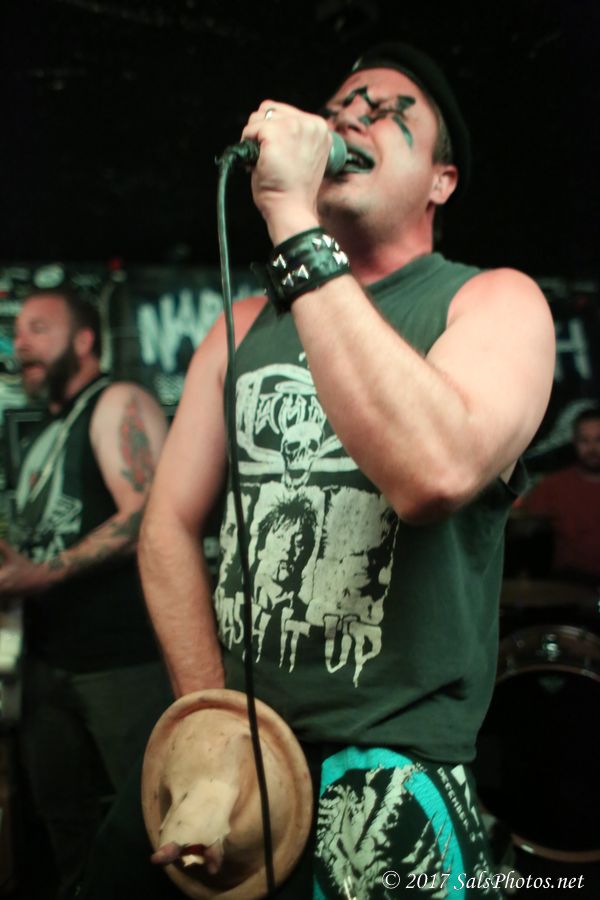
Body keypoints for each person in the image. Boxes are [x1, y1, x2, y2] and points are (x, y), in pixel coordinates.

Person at [92, 43, 555, 898]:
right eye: (342, 108)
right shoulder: (238, 327)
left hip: (391, 768)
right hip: (238, 756)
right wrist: (216, 727)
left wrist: (292, 223)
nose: (351, 118)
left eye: (388, 113)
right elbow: (167, 526)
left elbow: (434, 473)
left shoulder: (492, 301)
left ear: (442, 180)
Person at [0, 289, 172, 898]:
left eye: (38, 329)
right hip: (48, 666)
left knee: (157, 826)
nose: (20, 344)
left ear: (83, 340)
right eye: (17, 332)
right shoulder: (46, 433)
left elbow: (147, 515)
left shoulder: (116, 401)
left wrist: (42, 575)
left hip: (118, 661)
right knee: (65, 832)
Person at [520, 407, 600, 585]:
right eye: (584, 441)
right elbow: (525, 531)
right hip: (567, 584)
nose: (592, 448)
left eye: (598, 440)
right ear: (574, 442)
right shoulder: (552, 486)